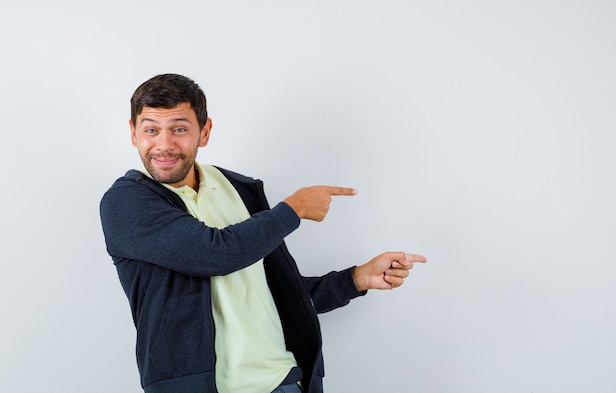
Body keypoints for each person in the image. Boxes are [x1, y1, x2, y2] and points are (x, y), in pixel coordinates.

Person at [99, 73, 427, 393]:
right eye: (151, 130)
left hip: (282, 381)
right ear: (133, 132)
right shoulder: (126, 203)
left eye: (179, 129)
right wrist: (293, 209)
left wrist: (356, 279)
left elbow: (275, 291)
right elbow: (214, 254)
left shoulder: (240, 190)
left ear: (205, 131)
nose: (164, 145)